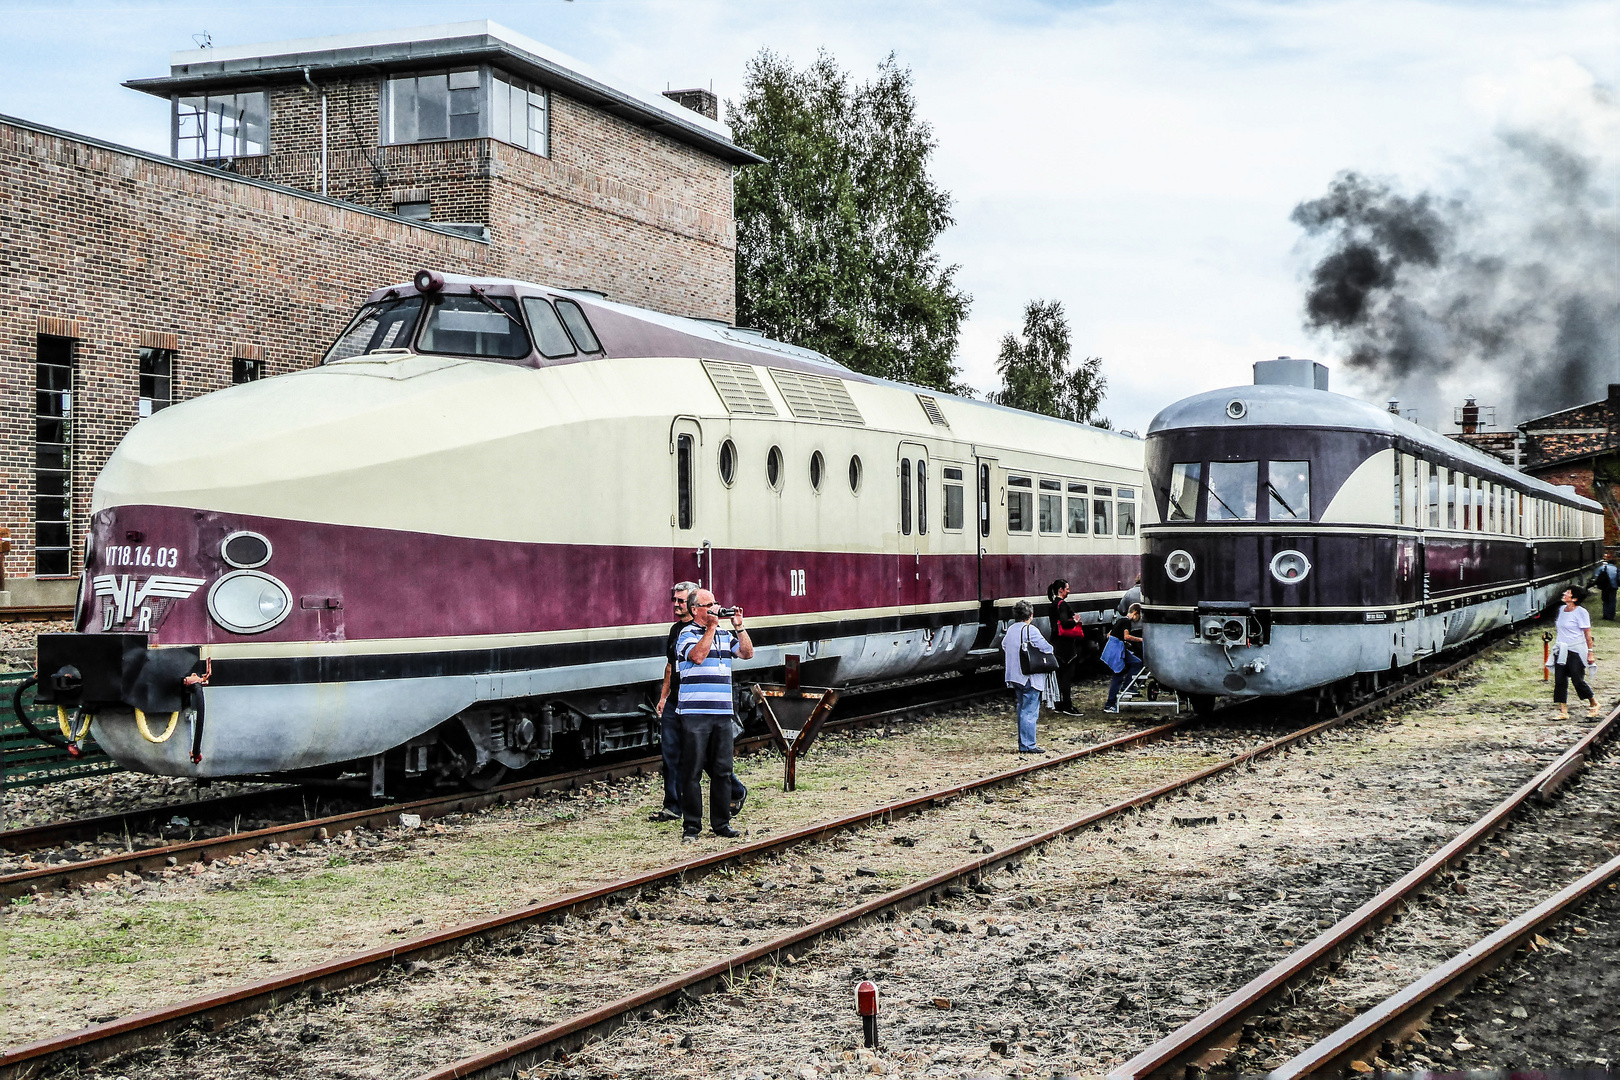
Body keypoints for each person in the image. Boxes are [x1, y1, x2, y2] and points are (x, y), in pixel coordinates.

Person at [675, 589, 754, 840]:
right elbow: (697, 657)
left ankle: (721, 823)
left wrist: (739, 627)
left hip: (721, 713)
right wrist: (711, 627)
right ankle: (692, 826)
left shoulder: (723, 633)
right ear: (695, 609)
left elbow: (746, 653)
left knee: (722, 770)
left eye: (716, 604)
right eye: (709, 605)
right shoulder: (686, 633)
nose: (715, 609)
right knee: (692, 772)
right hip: (694, 714)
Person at [651, 581, 701, 822]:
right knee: (670, 751)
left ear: (692, 603)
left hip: (694, 699)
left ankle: (734, 790)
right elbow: (671, 665)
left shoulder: (702, 628)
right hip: (675, 699)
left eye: (681, 601)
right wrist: (663, 697)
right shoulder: (675, 630)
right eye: (675, 600)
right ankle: (672, 805)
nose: (677, 605)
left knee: (704, 753)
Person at [1003, 599, 1054, 753]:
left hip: (1014, 675)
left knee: (1021, 708)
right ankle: (1028, 745)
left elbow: (1004, 645)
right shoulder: (1030, 630)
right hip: (1028, 676)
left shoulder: (1011, 629)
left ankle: (1023, 742)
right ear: (1031, 615)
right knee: (1030, 711)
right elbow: (1046, 648)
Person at [1549, 586, 1599, 720]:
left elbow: (1587, 634)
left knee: (1577, 680)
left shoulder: (1581, 612)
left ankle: (1593, 703)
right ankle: (1563, 711)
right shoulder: (1561, 610)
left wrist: (1590, 652)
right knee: (1560, 680)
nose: (1564, 593)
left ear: (1574, 598)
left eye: (1568, 593)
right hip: (1562, 649)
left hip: (1576, 649)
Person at [1047, 579, 1082, 715]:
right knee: (1067, 676)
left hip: (1056, 643)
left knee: (1059, 675)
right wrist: (1074, 620)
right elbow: (1064, 622)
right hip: (1066, 646)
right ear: (1060, 590)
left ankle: (1058, 704)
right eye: (1067, 588)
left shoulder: (1052, 605)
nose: (1069, 591)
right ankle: (1067, 705)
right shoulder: (1062, 605)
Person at [1103, 604, 1144, 714]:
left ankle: (1128, 686)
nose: (1139, 619)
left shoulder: (1120, 620)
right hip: (1116, 650)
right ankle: (1109, 704)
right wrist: (1141, 640)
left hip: (1116, 648)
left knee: (1136, 662)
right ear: (1135, 612)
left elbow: (1109, 634)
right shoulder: (1126, 622)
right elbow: (1126, 636)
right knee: (1118, 675)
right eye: (1139, 615)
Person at [1595, 555, 1619, 621]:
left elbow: (1596, 576)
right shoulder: (1616, 569)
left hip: (1604, 586)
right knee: (1612, 601)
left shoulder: (1602, 567)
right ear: (1614, 563)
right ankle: (1611, 616)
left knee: (1605, 600)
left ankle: (1605, 614)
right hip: (1613, 587)